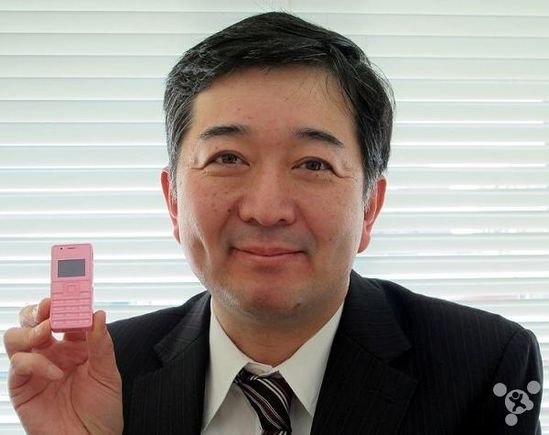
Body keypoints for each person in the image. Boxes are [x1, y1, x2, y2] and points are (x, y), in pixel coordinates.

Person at [3, 12, 543, 435]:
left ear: (369, 208)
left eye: (314, 165)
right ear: (173, 201)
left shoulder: (484, 364)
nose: (266, 209)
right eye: (227, 158)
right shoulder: (108, 373)